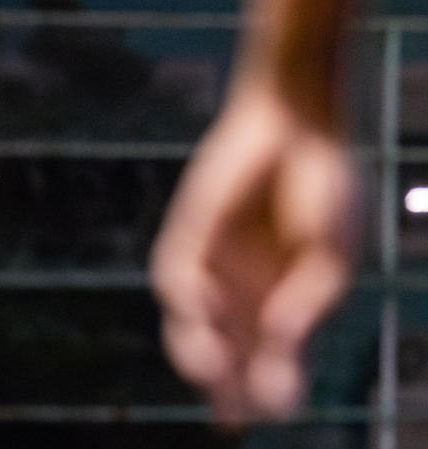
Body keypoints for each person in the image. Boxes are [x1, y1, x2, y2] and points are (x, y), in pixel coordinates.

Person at [150, 0, 359, 424]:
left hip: (274, 138)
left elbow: (176, 264)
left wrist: (195, 319)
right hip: (292, 147)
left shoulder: (263, 139)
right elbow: (326, 267)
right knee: (306, 73)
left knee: (290, 80)